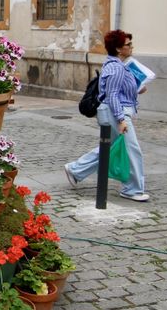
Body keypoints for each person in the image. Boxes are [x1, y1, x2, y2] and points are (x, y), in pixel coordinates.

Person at [63, 30, 149, 201]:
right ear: (118, 48)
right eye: (128, 45)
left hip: (115, 112)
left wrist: (138, 89)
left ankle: (76, 169)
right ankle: (132, 189)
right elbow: (112, 95)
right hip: (114, 113)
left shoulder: (118, 65)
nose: (131, 47)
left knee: (109, 149)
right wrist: (121, 120)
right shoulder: (116, 68)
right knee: (132, 150)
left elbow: (118, 91)